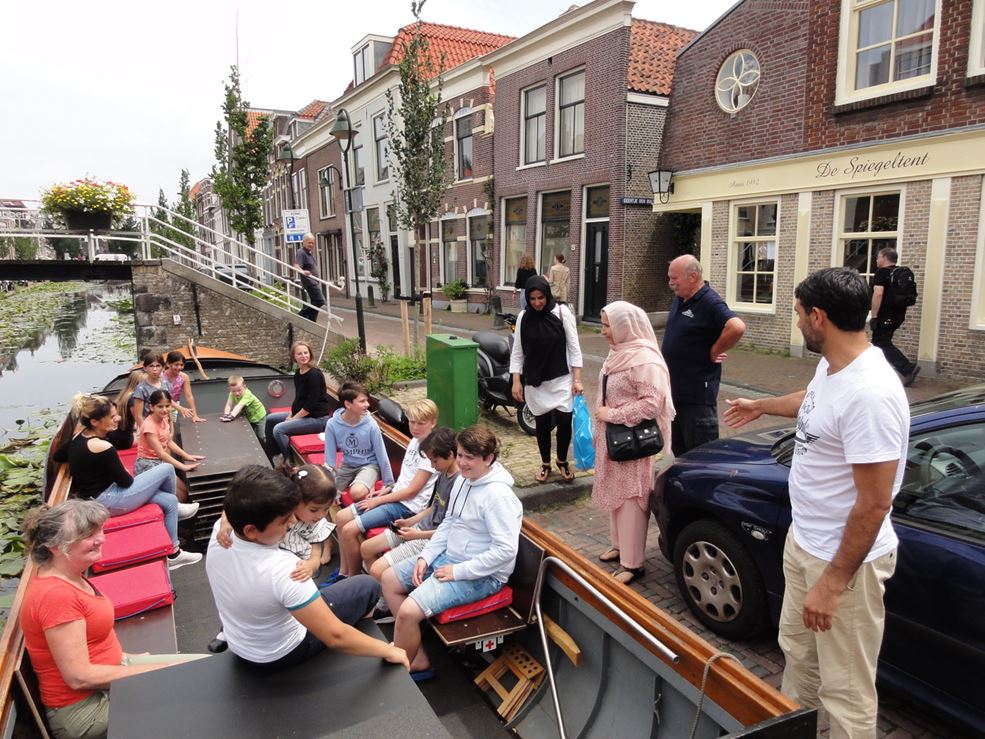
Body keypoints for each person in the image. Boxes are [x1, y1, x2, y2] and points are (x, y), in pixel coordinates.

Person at [723, 267, 907, 739]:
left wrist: (832, 584)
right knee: (798, 655)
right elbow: (813, 400)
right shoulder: (836, 365)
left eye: (800, 314)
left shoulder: (871, 394)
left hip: (842, 565)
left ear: (820, 318)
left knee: (845, 691)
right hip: (805, 544)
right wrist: (761, 406)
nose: (798, 322)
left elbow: (873, 504)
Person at [20, 500, 207, 739]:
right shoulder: (56, 597)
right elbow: (79, 677)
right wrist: (160, 672)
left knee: (205, 668)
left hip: (110, 674)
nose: (101, 538)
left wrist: (125, 657)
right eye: (88, 535)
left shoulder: (69, 574)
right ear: (56, 547)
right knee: (199, 698)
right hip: (85, 709)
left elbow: (90, 640)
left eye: (99, 530)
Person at [205, 465, 408, 671]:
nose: (291, 524)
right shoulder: (284, 569)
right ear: (251, 530)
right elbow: (335, 636)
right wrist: (389, 650)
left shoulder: (220, 533)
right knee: (368, 585)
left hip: (241, 645)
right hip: (282, 653)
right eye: (284, 521)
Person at [380, 426, 522, 681]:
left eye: (470, 457)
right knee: (388, 579)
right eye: (461, 455)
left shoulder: (498, 497)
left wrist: (458, 571)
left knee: (409, 611)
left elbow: (505, 551)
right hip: (450, 558)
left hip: (482, 576)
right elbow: (449, 523)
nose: (463, 463)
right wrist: (427, 556)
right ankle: (416, 654)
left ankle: (408, 660)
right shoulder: (464, 483)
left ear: (488, 459)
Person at [52, 394, 201, 571]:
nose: (118, 418)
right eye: (112, 416)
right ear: (95, 422)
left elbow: (58, 456)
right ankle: (177, 508)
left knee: (167, 502)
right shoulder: (103, 447)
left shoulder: (78, 438)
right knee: (166, 469)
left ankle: (174, 553)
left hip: (96, 497)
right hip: (109, 501)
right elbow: (125, 481)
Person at [211, 463, 337, 654]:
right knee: (243, 599)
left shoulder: (314, 525)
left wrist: (310, 566)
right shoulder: (275, 509)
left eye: (326, 509)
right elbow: (235, 507)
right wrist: (225, 523)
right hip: (266, 562)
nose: (320, 516)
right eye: (314, 510)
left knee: (287, 605)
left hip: (293, 571)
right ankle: (227, 630)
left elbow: (315, 554)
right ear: (296, 501)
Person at [592, 301, 674, 586]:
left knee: (631, 499)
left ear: (625, 326)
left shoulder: (644, 359)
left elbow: (652, 404)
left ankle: (633, 563)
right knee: (616, 493)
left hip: (633, 443)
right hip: (613, 438)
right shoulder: (618, 354)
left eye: (607, 326)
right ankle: (619, 546)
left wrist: (613, 415)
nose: (603, 331)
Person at [334, 399, 438, 578]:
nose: (415, 427)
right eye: (412, 422)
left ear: (433, 423)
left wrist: (377, 500)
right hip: (395, 496)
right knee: (341, 517)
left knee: (349, 530)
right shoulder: (415, 440)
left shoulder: (431, 452)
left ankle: (352, 577)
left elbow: (412, 491)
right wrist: (388, 487)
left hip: (407, 507)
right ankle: (343, 571)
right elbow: (405, 479)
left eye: (421, 423)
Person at [363, 426, 458, 623]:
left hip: (428, 538)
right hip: (416, 529)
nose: (432, 465)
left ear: (450, 455)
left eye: (435, 460)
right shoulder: (443, 473)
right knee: (366, 548)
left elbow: (450, 529)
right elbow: (433, 507)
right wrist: (410, 521)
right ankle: (385, 597)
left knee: (377, 569)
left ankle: (386, 605)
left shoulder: (458, 483)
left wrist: (417, 534)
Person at [662, 255, 746, 456]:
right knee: (679, 453)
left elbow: (736, 327)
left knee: (700, 455)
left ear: (692, 277)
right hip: (676, 395)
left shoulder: (709, 301)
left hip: (696, 399)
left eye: (675, 278)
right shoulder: (680, 299)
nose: (670, 283)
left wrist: (716, 350)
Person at [510, 275, 583, 483]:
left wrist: (577, 379)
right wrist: (516, 380)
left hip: (561, 377)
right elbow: (517, 352)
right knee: (542, 424)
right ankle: (545, 463)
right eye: (532, 299)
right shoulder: (524, 317)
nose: (537, 303)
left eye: (540, 298)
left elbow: (574, 348)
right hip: (536, 380)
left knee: (564, 421)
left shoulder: (562, 313)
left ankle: (561, 460)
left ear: (547, 295)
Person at [322, 382, 394, 503]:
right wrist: (332, 487)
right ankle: (364, 483)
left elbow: (381, 454)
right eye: (362, 401)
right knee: (324, 492)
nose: (367, 404)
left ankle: (368, 482)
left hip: (369, 465)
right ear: (348, 404)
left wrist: (388, 483)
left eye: (367, 400)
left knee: (356, 493)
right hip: (348, 465)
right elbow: (330, 459)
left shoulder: (371, 424)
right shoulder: (332, 424)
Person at [263, 341, 332, 463]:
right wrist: (291, 415)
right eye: (299, 353)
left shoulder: (314, 375)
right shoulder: (298, 373)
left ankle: (289, 461)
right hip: (306, 415)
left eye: (306, 353)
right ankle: (273, 455)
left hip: (318, 419)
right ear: (294, 357)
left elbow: (310, 405)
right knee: (270, 418)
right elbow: (299, 399)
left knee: (278, 429)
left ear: (310, 354)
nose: (304, 356)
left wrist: (294, 418)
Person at [134, 389, 204, 503]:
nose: (165, 410)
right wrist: (183, 466)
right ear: (152, 407)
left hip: (160, 462)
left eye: (167, 406)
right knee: (179, 496)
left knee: (185, 492)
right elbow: (160, 452)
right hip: (148, 465)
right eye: (160, 406)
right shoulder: (149, 426)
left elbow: (169, 442)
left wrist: (187, 456)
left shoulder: (164, 419)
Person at [870, 247, 919, 387]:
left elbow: (878, 294)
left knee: (881, 343)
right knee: (879, 343)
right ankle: (880, 373)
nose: (877, 260)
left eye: (878, 257)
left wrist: (874, 316)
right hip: (898, 315)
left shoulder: (882, 273)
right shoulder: (899, 272)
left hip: (885, 315)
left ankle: (907, 368)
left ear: (884, 258)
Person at [220, 374, 268, 439]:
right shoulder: (231, 393)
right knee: (251, 434)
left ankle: (263, 446)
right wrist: (226, 415)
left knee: (260, 436)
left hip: (259, 416)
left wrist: (231, 416)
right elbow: (229, 404)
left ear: (244, 387)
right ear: (229, 389)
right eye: (234, 391)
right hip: (249, 415)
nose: (236, 393)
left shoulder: (247, 394)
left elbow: (239, 406)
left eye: (239, 390)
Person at [163, 351, 205, 423]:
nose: (179, 367)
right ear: (168, 364)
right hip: (161, 405)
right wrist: (181, 408)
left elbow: (189, 396)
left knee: (171, 425)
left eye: (181, 365)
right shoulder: (161, 376)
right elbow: (164, 397)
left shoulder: (184, 377)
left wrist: (194, 415)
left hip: (174, 406)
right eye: (176, 364)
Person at [106, 370, 143, 450]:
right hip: (125, 441)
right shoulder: (134, 400)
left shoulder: (124, 394)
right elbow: (139, 421)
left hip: (114, 435)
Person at [130, 352, 171, 422]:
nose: (155, 369)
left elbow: (169, 407)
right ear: (145, 368)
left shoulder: (166, 383)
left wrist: (171, 429)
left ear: (163, 368)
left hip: (164, 424)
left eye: (158, 366)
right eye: (151, 366)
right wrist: (145, 431)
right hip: (149, 425)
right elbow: (138, 415)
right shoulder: (141, 388)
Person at [294, 233, 326, 321]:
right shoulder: (301, 252)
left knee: (315, 303)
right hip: (309, 282)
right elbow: (296, 265)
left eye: (312, 243)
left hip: (313, 282)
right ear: (303, 242)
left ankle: (312, 321)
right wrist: (303, 271)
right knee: (320, 301)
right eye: (309, 243)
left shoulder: (309, 253)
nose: (311, 245)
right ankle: (300, 315)